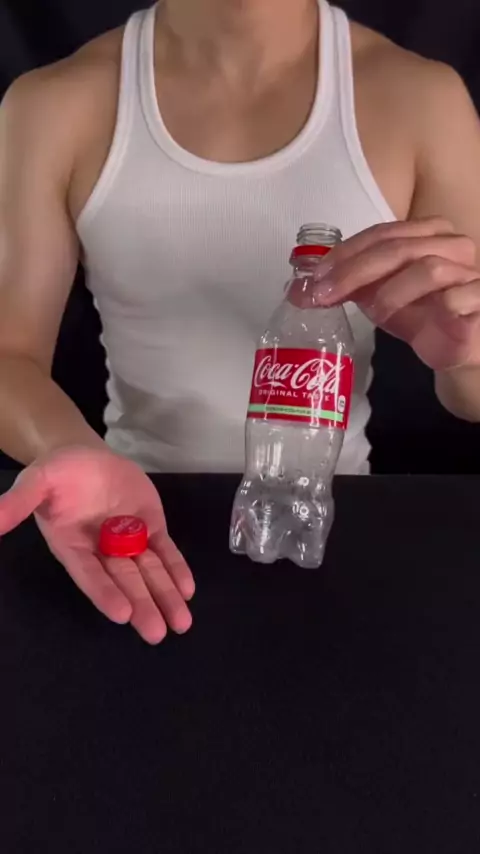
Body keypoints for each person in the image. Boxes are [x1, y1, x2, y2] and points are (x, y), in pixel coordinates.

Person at [0, 0, 479, 644]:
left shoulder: (423, 101)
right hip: (124, 522)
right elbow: (8, 355)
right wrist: (69, 447)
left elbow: (473, 391)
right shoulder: (54, 105)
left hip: (333, 526)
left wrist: (467, 352)